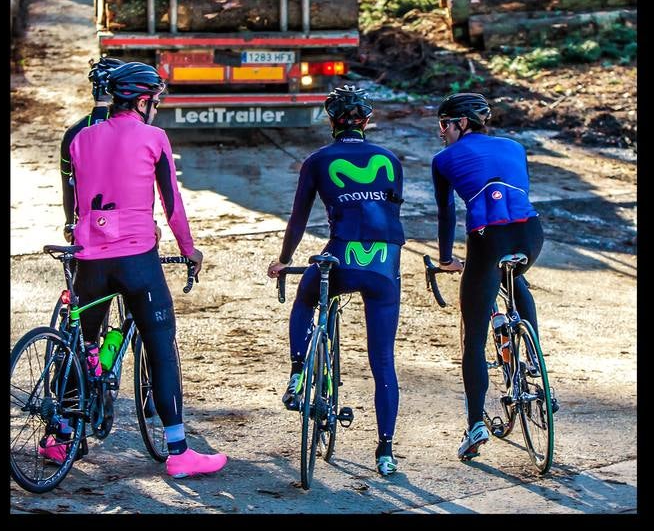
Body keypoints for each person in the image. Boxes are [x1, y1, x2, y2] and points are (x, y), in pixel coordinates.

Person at [43, 61, 227, 479]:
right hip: (137, 258)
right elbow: (172, 204)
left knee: (81, 343)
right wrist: (189, 249)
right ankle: (179, 452)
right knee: (160, 345)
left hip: (88, 257)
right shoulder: (154, 137)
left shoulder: (80, 139)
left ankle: (62, 432)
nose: (157, 110)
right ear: (143, 101)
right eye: (156, 102)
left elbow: (81, 198)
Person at [267, 84, 405, 477]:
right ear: (367, 121)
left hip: (339, 257)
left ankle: (297, 373)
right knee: (383, 360)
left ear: (330, 121)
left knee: (306, 298)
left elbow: (297, 219)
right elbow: (389, 211)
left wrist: (283, 260)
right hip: (383, 264)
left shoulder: (317, 160)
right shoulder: (390, 160)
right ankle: (385, 451)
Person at [431, 91, 555, 462]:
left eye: (445, 124)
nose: (442, 132)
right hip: (531, 234)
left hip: (488, 238)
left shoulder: (443, 160)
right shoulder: (515, 146)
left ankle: (474, 425)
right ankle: (536, 366)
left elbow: (446, 215)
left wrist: (444, 258)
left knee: (473, 337)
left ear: (461, 123)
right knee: (514, 277)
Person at [60, 57, 124, 242]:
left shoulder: (73, 132)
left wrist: (69, 223)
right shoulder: (131, 129)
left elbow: (67, 182)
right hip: (127, 229)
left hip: (86, 228)